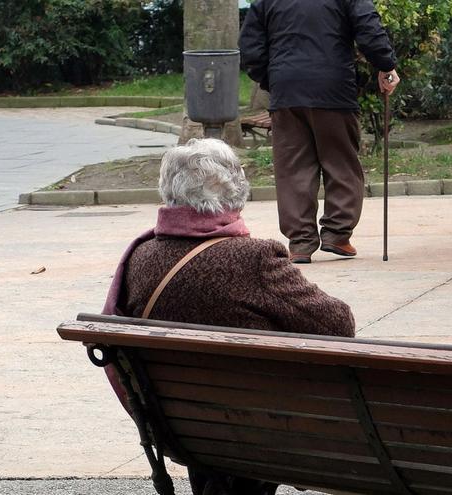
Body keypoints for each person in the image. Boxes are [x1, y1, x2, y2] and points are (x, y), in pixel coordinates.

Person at [101, 138, 356, 495]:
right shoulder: (254, 259)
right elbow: (338, 325)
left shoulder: (139, 257)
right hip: (258, 430)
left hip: (180, 426)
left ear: (168, 190)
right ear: (236, 189)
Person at [240, 0, 400, 264]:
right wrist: (386, 64)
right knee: (341, 162)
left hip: (286, 89)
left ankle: (301, 243)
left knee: (292, 167)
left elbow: (251, 47)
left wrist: (272, 78)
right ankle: (337, 235)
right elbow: (368, 28)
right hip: (333, 88)